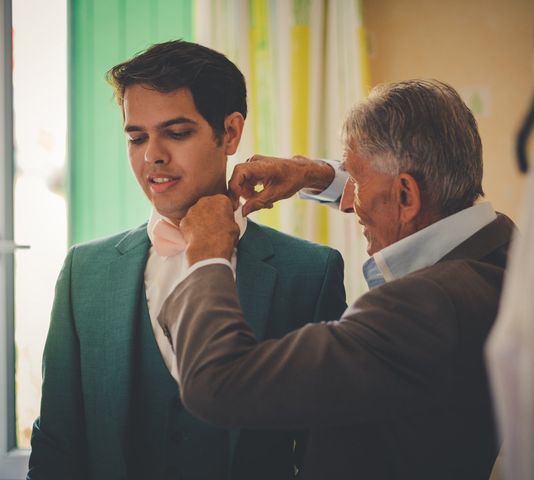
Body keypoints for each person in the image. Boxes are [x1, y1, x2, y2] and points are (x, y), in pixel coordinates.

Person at [159, 79, 516, 480]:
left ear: (406, 195)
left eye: (356, 182)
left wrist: (208, 254)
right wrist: (313, 173)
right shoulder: (500, 248)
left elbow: (217, 383)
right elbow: (401, 191)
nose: (349, 201)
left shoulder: (419, 309)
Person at [28, 40, 347, 480]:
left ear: (230, 133)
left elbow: (326, 455)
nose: (151, 155)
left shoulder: (310, 273)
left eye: (176, 133)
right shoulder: (84, 272)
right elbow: (56, 449)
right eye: (136, 137)